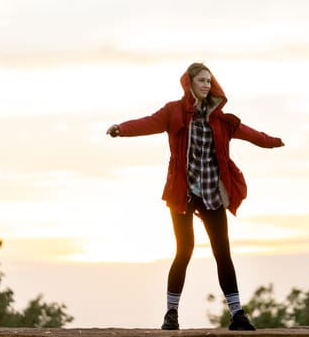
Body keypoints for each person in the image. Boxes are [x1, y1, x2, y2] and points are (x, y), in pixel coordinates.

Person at [106, 62, 284, 330]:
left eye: (209, 82)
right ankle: (171, 315)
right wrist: (121, 128)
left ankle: (237, 315)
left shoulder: (222, 120)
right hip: (183, 194)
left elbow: (250, 133)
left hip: (212, 193)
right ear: (189, 83)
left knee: (222, 252)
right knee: (184, 251)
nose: (206, 85)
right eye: (201, 80)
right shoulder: (174, 112)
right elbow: (148, 123)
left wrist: (272, 142)